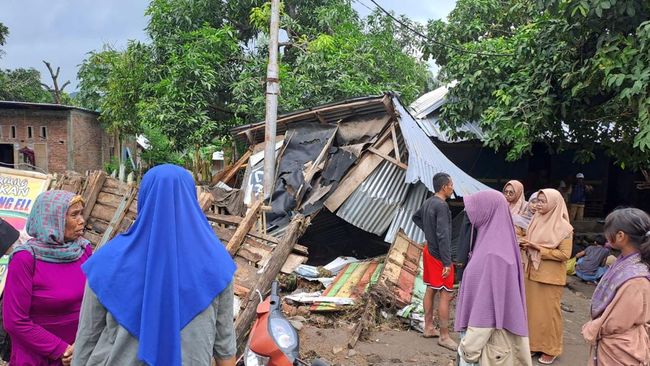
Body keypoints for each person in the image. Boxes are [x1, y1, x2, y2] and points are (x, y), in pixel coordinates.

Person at [73, 164, 237, 366]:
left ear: (144, 198)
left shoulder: (107, 261)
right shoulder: (216, 264)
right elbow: (225, 348)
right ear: (190, 199)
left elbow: (87, 339)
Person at [2, 191, 91, 366]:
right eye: (74, 215)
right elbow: (15, 320)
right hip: (39, 356)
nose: (82, 220)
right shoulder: (26, 259)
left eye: (81, 213)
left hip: (80, 352)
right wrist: (61, 349)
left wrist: (83, 345)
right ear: (53, 219)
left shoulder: (83, 251)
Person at [455, 190, 532, 366]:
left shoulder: (493, 256)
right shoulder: (494, 244)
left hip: (484, 346)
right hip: (485, 341)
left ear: (487, 211)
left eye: (475, 209)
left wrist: (468, 351)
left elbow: (486, 311)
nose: (470, 214)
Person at [581, 208, 650, 365]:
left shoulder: (637, 279)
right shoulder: (625, 260)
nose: (606, 235)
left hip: (619, 347)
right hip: (612, 342)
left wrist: (594, 327)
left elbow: (618, 322)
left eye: (607, 230)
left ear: (620, 236)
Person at [520, 189, 573, 365]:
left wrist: (538, 249)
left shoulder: (564, 227)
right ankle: (535, 344)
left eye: (543, 201)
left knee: (550, 314)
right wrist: (525, 244)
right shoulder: (536, 219)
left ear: (554, 203)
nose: (539, 204)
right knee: (534, 313)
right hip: (532, 272)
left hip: (549, 277)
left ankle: (551, 348)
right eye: (538, 201)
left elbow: (565, 254)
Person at [412, 172, 457, 351]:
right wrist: (447, 262)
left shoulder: (428, 202)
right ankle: (445, 336)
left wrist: (427, 233)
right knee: (445, 293)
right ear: (444, 186)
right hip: (439, 255)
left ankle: (428, 327)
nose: (452, 187)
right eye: (451, 184)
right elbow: (443, 235)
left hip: (429, 251)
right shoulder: (442, 206)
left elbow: (416, 217)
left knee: (431, 288)